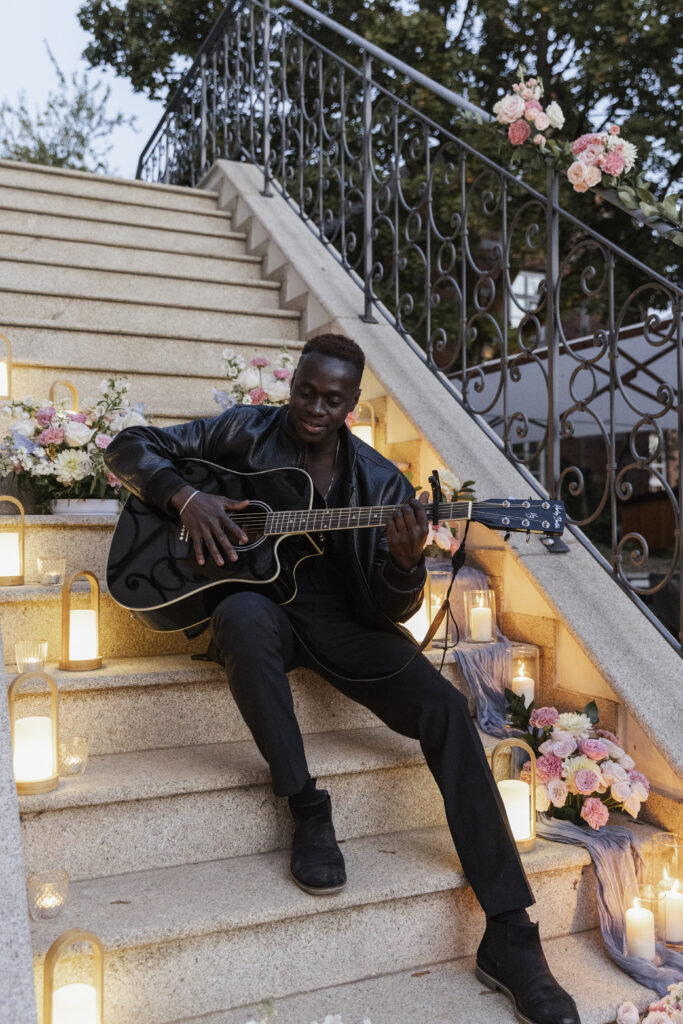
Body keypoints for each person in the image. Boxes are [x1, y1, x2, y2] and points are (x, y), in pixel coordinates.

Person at [105, 333, 580, 1024]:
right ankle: (305, 806)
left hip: (343, 623)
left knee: (446, 708)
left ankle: (510, 932)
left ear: (353, 405)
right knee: (239, 612)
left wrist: (405, 562)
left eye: (332, 400)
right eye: (305, 391)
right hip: (261, 608)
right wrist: (185, 499)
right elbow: (127, 445)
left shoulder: (381, 485)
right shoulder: (244, 428)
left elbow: (387, 608)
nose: (313, 409)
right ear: (292, 382)